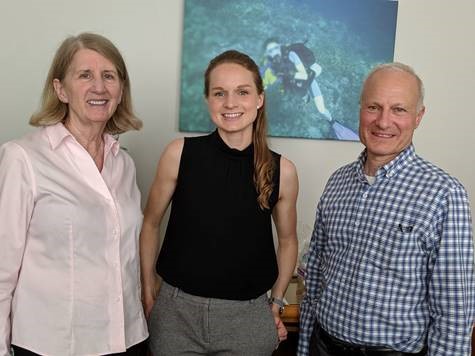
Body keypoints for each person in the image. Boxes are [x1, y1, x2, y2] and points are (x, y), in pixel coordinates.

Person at [298, 62, 475, 355]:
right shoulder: (338, 182)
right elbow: (315, 274)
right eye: (373, 107)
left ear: (418, 117)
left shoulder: (444, 194)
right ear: (360, 110)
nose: (383, 121)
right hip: (324, 345)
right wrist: (305, 346)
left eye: (399, 110)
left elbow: (454, 313)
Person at [140, 50, 299, 355]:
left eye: (242, 92)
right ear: (207, 100)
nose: (230, 103)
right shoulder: (179, 154)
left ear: (259, 99)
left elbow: (288, 241)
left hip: (248, 319)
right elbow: (150, 223)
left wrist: (277, 300)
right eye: (219, 93)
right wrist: (148, 289)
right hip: (177, 315)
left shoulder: (283, 170)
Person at [0, 33, 148, 355]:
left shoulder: (124, 164)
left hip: (127, 338)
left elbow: (126, 258)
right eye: (85, 75)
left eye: (109, 76)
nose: (99, 87)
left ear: (121, 90)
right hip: (53, 344)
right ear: (60, 90)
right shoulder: (23, 157)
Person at [262, 39, 358, 141]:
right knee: (300, 96)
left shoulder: (291, 55)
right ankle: (305, 97)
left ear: (280, 46)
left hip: (308, 80)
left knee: (321, 110)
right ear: (267, 54)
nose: (274, 52)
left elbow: (304, 75)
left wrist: (288, 74)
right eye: (270, 51)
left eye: (275, 48)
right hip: (295, 86)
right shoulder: (271, 66)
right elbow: (266, 82)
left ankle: (333, 122)